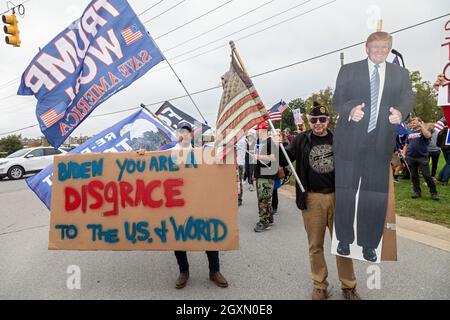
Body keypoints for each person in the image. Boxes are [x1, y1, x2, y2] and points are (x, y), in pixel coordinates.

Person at [332, 31, 414, 262]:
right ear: (366, 48)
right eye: (375, 48)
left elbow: (407, 97)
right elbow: (337, 98)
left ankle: (369, 244)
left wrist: (401, 111)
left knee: (375, 195)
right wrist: (350, 110)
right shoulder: (349, 70)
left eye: (384, 48)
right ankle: (344, 240)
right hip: (350, 143)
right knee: (347, 192)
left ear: (389, 49)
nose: (379, 52)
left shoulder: (400, 73)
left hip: (380, 143)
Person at [279, 104, 360, 300]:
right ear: (309, 121)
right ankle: (319, 285)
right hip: (312, 198)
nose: (318, 124)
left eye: (322, 120)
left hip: (338, 197)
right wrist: (276, 144)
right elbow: (283, 160)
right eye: (314, 120)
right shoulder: (301, 140)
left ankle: (348, 286)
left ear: (328, 120)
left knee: (343, 244)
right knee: (315, 245)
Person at [139, 122, 228, 289]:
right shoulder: (168, 152)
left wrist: (224, 151)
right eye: (180, 131)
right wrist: (143, 154)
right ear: (177, 135)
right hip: (177, 201)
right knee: (179, 236)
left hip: (201, 199)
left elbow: (221, 159)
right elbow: (150, 163)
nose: (184, 134)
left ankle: (214, 271)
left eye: (187, 131)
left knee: (209, 232)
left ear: (191, 135)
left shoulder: (202, 152)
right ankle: (184, 272)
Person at [403, 118, 439, 200]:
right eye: (411, 123)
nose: (412, 124)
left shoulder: (423, 131)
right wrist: (404, 154)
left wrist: (422, 126)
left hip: (422, 157)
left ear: (420, 122)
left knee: (426, 175)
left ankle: (434, 193)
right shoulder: (409, 132)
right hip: (410, 157)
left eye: (414, 122)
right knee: (414, 176)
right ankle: (417, 192)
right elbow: (406, 144)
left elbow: (428, 136)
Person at [254, 121, 278, 232]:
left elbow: (273, 157)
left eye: (257, 130)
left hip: (266, 175)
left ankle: (264, 222)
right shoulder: (263, 142)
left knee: (263, 199)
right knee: (265, 199)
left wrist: (259, 156)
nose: (256, 133)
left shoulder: (270, 142)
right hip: (261, 174)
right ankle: (269, 218)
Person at [236, 136, 246, 206]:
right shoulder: (242, 140)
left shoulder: (241, 141)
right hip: (237, 163)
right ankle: (238, 198)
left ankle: (239, 198)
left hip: (239, 164)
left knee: (238, 182)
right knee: (238, 182)